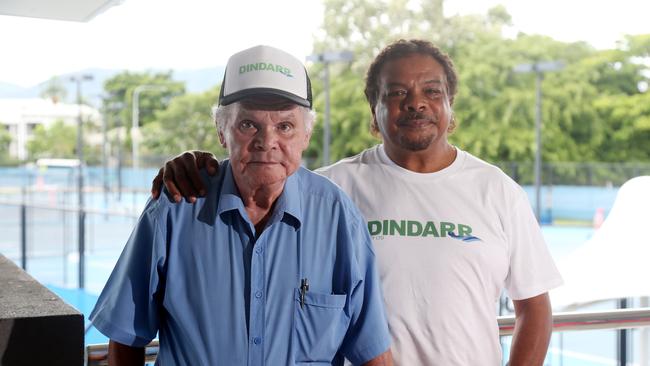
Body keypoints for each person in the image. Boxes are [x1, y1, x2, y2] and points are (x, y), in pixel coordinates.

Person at [151, 39, 563, 365]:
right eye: (397, 92)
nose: (415, 102)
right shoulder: (333, 191)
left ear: (450, 106)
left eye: (431, 92)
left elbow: (534, 308)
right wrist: (189, 166)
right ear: (374, 110)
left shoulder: (498, 191)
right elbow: (261, 167)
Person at [91, 45, 393, 366]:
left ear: (306, 135)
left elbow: (371, 350)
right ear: (222, 132)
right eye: (248, 124)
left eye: (285, 126)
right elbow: (126, 338)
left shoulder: (337, 216)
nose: (267, 140)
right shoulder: (176, 207)